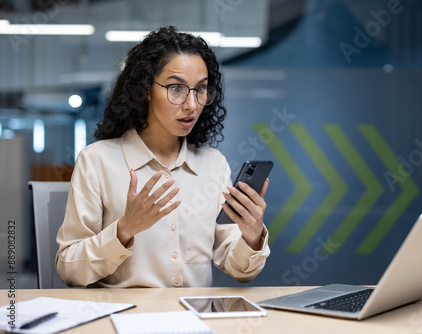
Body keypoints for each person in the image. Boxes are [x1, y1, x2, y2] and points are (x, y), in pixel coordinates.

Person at [55, 26, 271, 288]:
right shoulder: (97, 161)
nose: (192, 104)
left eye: (200, 89)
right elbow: (69, 269)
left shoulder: (213, 164)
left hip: (196, 323)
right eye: (177, 88)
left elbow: (240, 270)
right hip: (126, 323)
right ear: (145, 90)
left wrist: (252, 234)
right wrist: (124, 229)